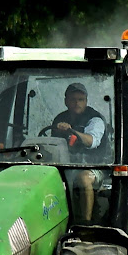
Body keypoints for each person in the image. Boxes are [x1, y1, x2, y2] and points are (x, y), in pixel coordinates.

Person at [51, 82, 107, 224]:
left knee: (83, 179)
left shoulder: (95, 119)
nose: (77, 103)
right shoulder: (59, 119)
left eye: (80, 100)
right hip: (67, 165)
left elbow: (91, 141)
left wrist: (72, 131)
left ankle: (85, 224)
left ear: (86, 101)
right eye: (73, 99)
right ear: (66, 101)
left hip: (97, 166)